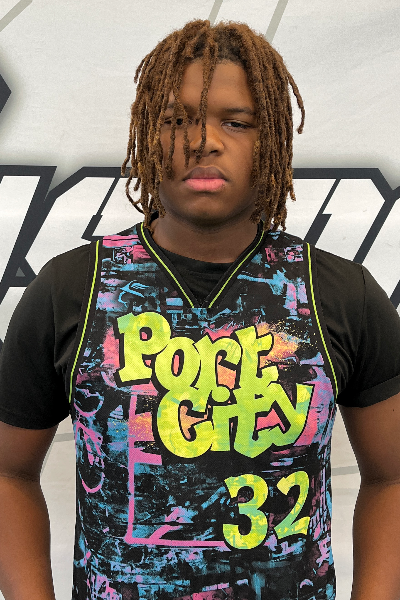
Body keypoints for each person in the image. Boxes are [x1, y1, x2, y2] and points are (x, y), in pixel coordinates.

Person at [0, 18, 400, 600]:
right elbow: (8, 472)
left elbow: (392, 476)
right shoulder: (72, 289)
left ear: (271, 139)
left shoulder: (337, 293)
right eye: (175, 120)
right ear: (146, 136)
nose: (202, 141)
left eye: (235, 122)